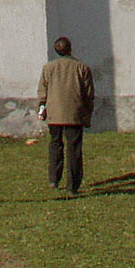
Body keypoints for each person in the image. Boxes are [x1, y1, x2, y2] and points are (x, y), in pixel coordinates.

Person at [36, 35, 95, 196]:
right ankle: (72, 184)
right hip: (75, 113)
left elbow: (43, 91)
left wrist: (42, 108)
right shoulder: (81, 67)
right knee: (74, 148)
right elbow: (89, 93)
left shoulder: (48, 68)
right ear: (70, 49)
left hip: (54, 113)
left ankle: (54, 178)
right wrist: (87, 112)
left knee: (55, 144)